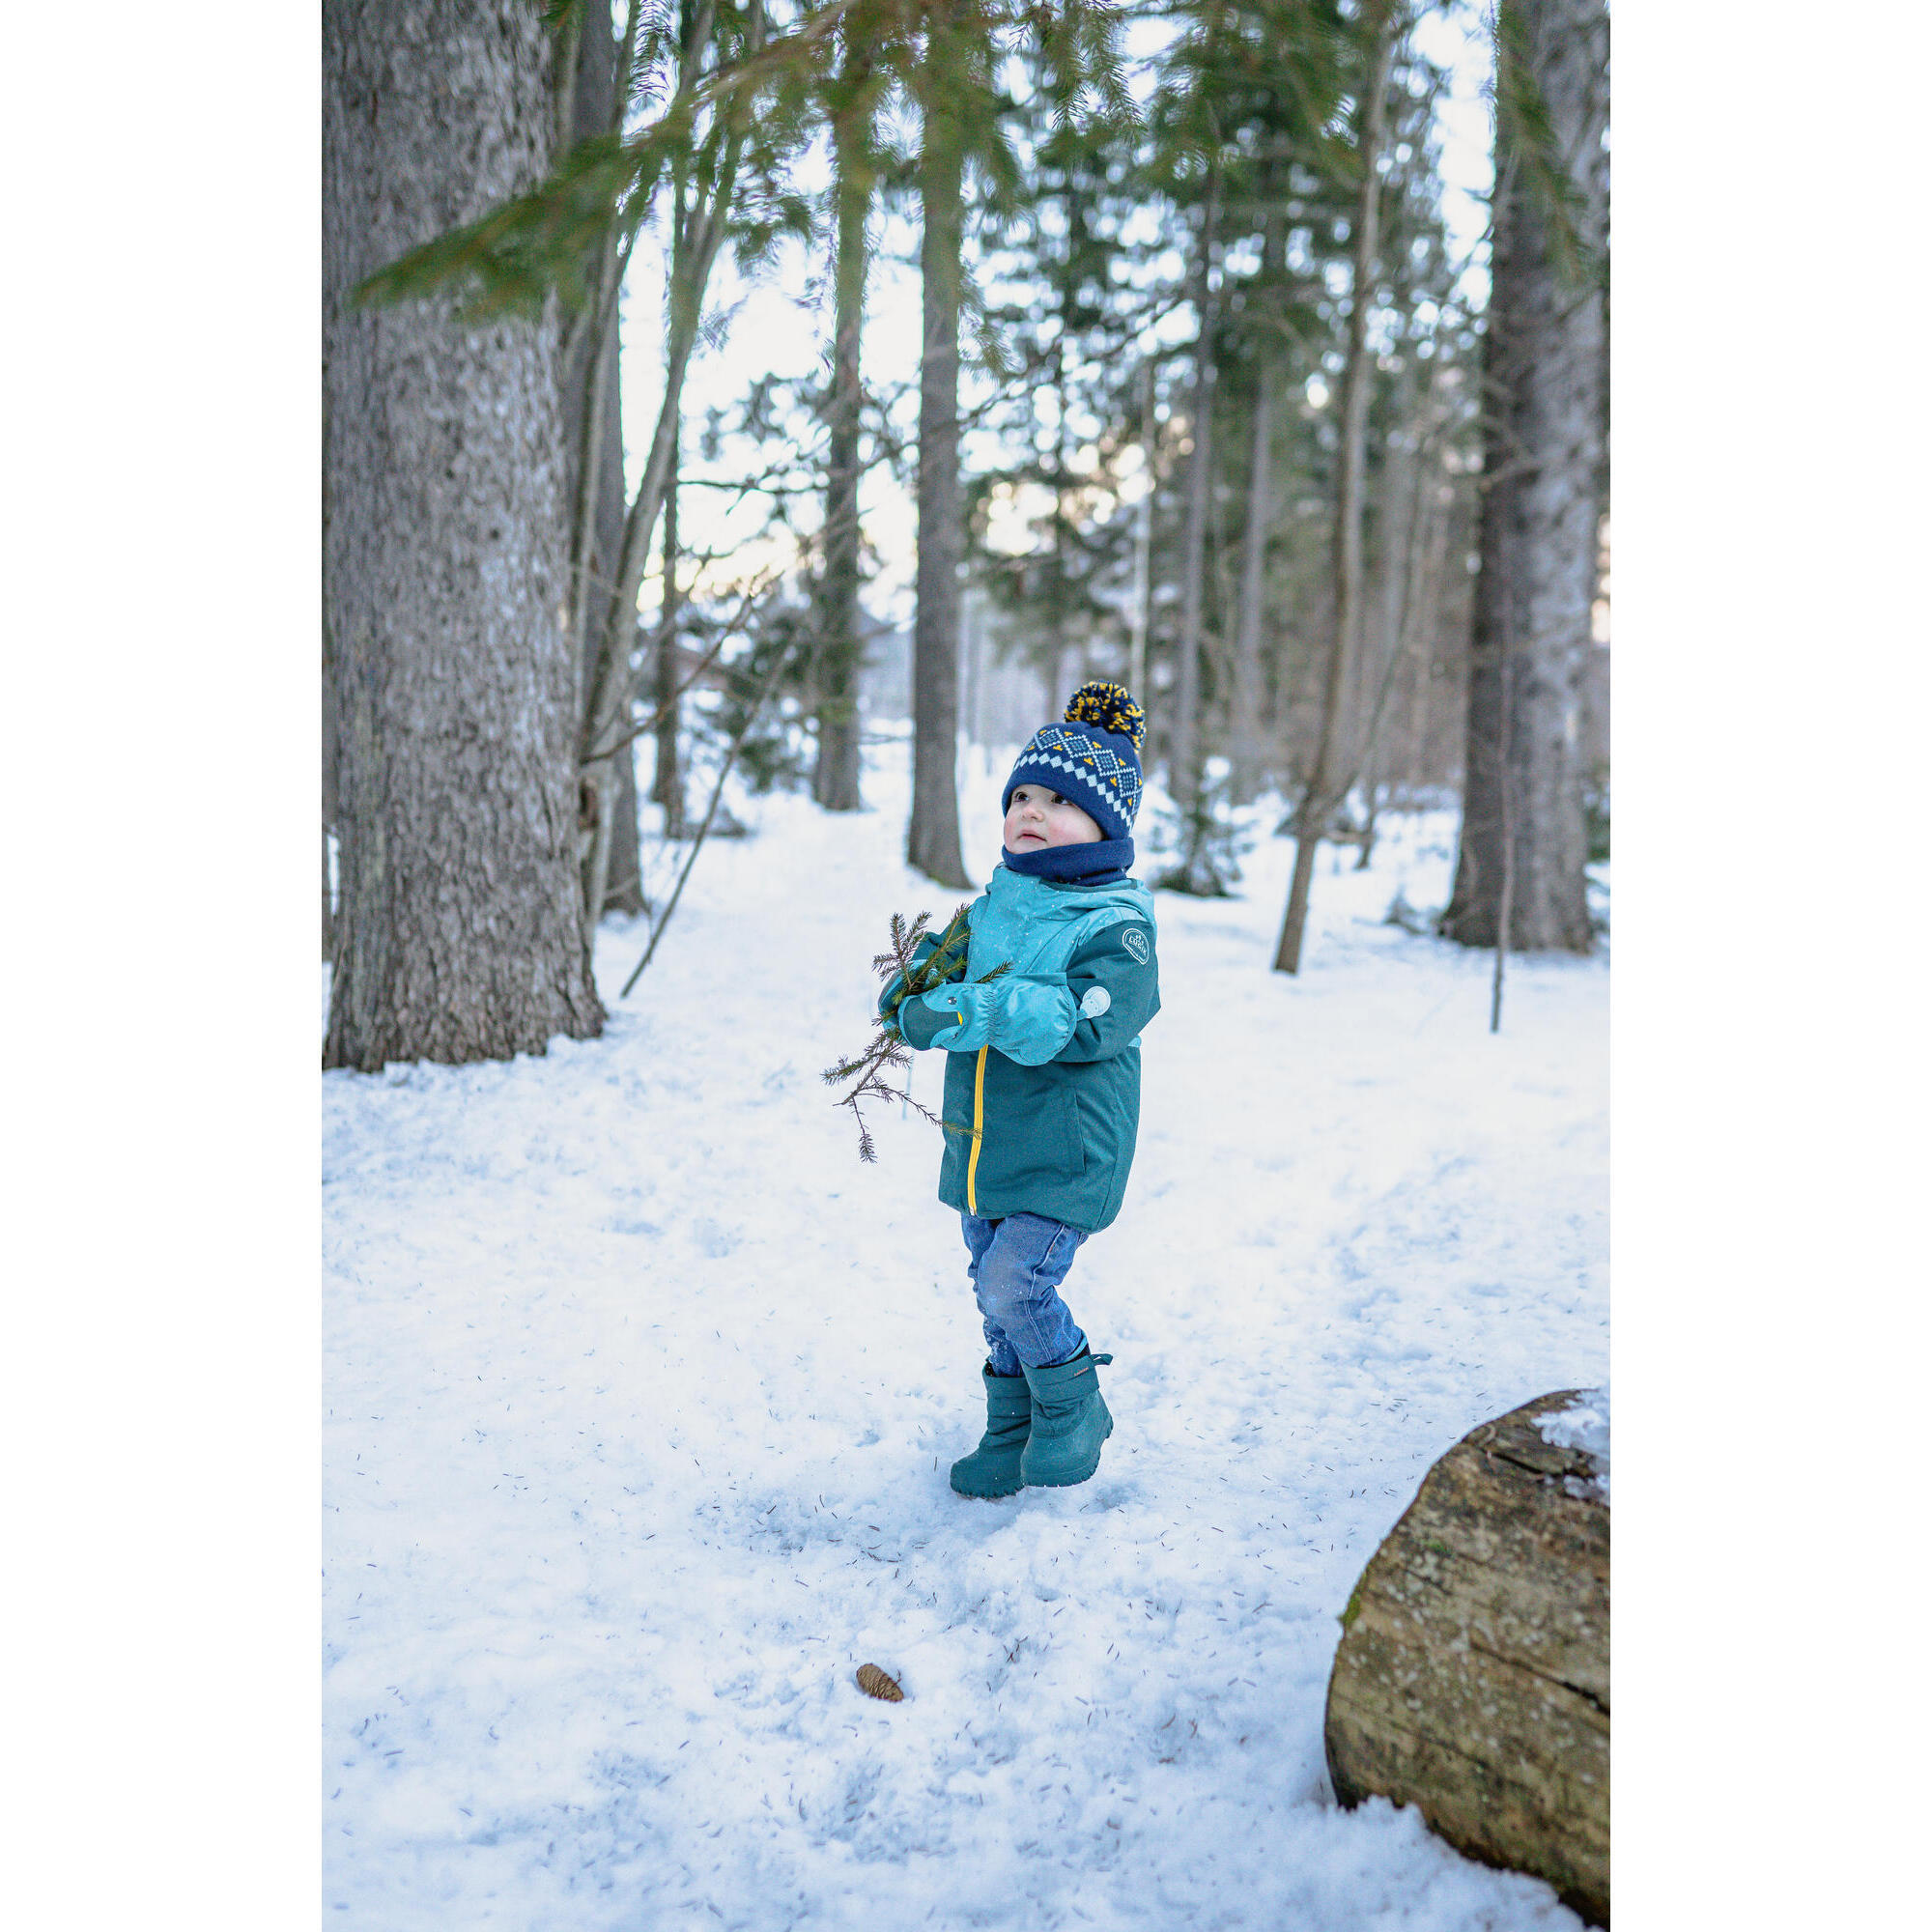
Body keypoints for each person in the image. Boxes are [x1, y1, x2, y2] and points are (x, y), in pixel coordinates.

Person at [882, 681, 1160, 1497]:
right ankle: (1011, 1427)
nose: (1033, 812)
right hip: (985, 1142)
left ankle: (1075, 1404)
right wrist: (915, 995)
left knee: (1017, 1281)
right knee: (988, 1283)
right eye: (1023, 797)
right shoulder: (997, 904)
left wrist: (982, 1005)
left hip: (1067, 1150)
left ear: (1105, 826)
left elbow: (1081, 1023)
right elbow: (944, 980)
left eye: (1059, 802)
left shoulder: (1118, 927)